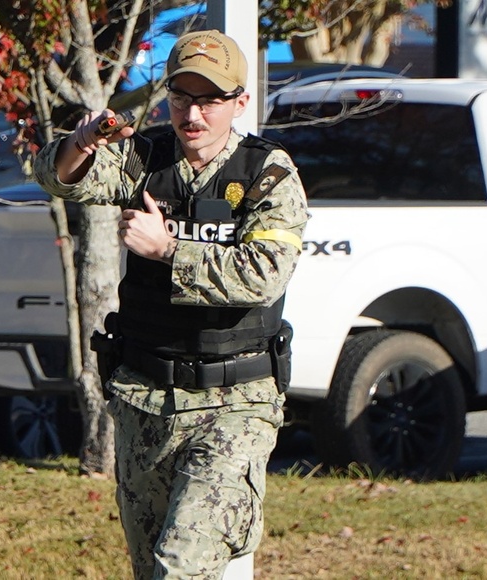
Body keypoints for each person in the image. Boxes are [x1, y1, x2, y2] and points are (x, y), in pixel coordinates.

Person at [34, 29, 309, 579]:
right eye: (181, 97)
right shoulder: (149, 157)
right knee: (151, 567)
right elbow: (56, 178)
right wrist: (81, 144)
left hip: (235, 404)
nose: (193, 114)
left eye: (209, 99)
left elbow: (264, 276)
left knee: (179, 568)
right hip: (146, 399)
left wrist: (169, 250)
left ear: (239, 103)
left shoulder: (267, 174)